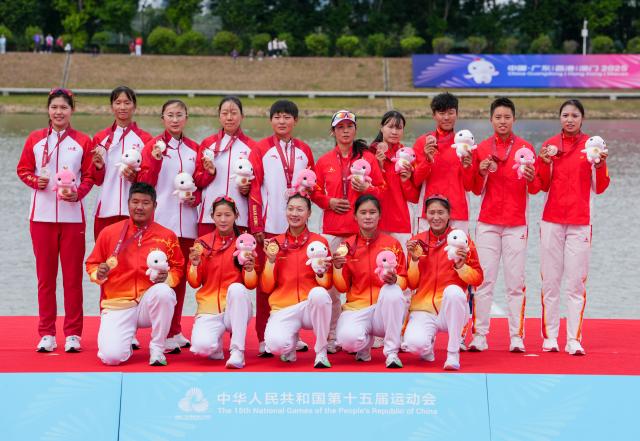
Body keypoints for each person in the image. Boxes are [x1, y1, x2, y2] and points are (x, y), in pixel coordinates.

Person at [16, 88, 94, 353]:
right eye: (54, 107)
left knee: (72, 279)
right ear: (48, 110)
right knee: (45, 279)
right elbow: (23, 169)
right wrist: (34, 181)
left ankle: (73, 334)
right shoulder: (36, 139)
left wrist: (79, 193)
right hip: (41, 217)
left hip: (73, 218)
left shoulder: (83, 141)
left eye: (64, 107)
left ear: (72, 110)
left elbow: (91, 176)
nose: (59, 112)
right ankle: (47, 333)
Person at [536, 99, 610, 355]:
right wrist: (543, 162)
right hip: (551, 220)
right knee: (551, 281)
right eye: (565, 115)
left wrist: (600, 164)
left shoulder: (593, 146)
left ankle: (574, 339)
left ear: (582, 118)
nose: (570, 119)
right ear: (559, 118)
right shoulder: (549, 146)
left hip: (580, 222)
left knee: (576, 283)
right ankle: (550, 337)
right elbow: (541, 186)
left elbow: (600, 187)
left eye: (575, 115)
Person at [468, 97, 540, 353]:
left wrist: (532, 177)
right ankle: (479, 335)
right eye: (498, 117)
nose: (502, 121)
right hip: (487, 223)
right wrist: (482, 171)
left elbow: (536, 187)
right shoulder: (482, 148)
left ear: (514, 119)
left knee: (515, 282)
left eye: (506, 117)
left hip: (516, 224)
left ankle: (516, 336)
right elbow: (475, 190)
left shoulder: (526, 147)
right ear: (491, 120)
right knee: (483, 282)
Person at [86, 183, 184, 366]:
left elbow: (178, 267)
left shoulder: (167, 236)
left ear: (155, 206)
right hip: (118, 303)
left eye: (146, 203)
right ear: (128, 203)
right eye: (135, 202)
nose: (139, 207)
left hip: (149, 301)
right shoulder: (109, 233)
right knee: (111, 357)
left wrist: (168, 278)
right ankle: (125, 339)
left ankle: (157, 348)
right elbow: (91, 263)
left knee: (164, 292)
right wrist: (98, 273)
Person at [313, 110, 386, 352]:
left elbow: (382, 191)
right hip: (335, 233)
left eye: (349, 126)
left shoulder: (368, 158)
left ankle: (372, 331)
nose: (345, 131)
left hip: (363, 235)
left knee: (366, 285)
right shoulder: (324, 161)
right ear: (333, 131)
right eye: (340, 127)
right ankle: (333, 335)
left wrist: (368, 187)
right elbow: (312, 190)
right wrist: (328, 202)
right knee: (332, 289)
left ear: (355, 130)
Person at [248, 99, 315, 355]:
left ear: (295, 121)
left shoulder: (305, 150)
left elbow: (311, 188)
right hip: (271, 226)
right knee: (268, 285)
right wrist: (257, 226)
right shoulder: (260, 148)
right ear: (271, 120)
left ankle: (292, 334)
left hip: (297, 228)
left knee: (295, 281)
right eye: (277, 117)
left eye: (287, 117)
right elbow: (254, 189)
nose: (282, 121)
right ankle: (264, 337)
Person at [138, 99, 200, 353]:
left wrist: (195, 197)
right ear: (162, 118)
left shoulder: (195, 149)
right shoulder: (153, 146)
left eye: (179, 115)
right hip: (162, 222)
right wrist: (154, 160)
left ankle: (174, 329)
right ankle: (158, 333)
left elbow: (202, 183)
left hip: (187, 223)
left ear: (186, 118)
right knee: (158, 277)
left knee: (180, 277)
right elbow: (144, 183)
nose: (175, 120)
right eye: (170, 115)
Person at [404, 195, 483, 370]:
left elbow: (477, 278)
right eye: (431, 213)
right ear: (426, 215)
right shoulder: (417, 241)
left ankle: (453, 353)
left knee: (454, 291)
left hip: (451, 309)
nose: (436, 217)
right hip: (424, 308)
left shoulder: (463, 241)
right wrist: (414, 261)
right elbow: (411, 283)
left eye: (441, 212)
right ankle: (427, 345)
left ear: (449, 215)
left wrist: (461, 267)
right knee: (414, 345)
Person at [332, 195, 408, 368]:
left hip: (384, 311)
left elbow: (405, 281)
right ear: (355, 216)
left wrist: (395, 279)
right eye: (363, 212)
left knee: (393, 291)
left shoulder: (392, 244)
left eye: (372, 212)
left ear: (380, 215)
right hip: (357, 308)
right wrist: (337, 268)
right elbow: (342, 287)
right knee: (347, 341)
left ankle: (391, 352)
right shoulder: (347, 246)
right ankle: (363, 344)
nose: (368, 217)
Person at [262, 194, 333, 368]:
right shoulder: (275, 244)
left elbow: (327, 285)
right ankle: (290, 343)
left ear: (309, 213)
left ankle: (322, 351)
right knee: (276, 345)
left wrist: (321, 272)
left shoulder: (319, 242)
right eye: (291, 208)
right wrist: (270, 261)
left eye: (300, 209)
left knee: (320, 294)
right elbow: (266, 286)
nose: (294, 213)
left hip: (310, 306)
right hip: (284, 306)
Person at [187, 197, 257, 368]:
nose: (223, 219)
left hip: (236, 308)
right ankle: (215, 345)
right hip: (209, 308)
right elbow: (195, 283)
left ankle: (237, 351)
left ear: (236, 215)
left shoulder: (245, 243)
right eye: (219, 215)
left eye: (228, 215)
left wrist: (249, 269)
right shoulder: (201, 243)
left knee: (237, 288)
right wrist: (195, 266)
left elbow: (251, 284)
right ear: (212, 216)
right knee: (201, 348)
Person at [91, 86, 153, 240]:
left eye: (127, 102)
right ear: (112, 106)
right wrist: (98, 168)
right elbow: (97, 180)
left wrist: (135, 177)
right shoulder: (100, 138)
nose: (122, 107)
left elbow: (150, 178)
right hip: (105, 209)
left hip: (134, 210)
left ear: (134, 106)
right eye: (118, 103)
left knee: (133, 259)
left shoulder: (146, 139)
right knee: (104, 259)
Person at [412, 92, 474, 233]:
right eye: (441, 113)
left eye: (451, 113)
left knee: (457, 254)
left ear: (457, 114)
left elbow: (469, 185)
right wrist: (428, 159)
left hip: (457, 211)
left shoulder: (465, 143)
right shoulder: (423, 142)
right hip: (428, 212)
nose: (446, 117)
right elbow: (416, 180)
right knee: (424, 254)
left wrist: (467, 167)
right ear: (434, 115)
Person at [194, 96, 257, 237]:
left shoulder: (252, 147)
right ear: (219, 117)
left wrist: (247, 189)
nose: (229, 117)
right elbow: (197, 181)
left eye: (234, 113)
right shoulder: (207, 144)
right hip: (209, 217)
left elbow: (258, 185)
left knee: (238, 257)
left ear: (242, 116)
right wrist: (210, 173)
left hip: (240, 218)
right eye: (224, 113)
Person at [369, 110, 419, 249]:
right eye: (390, 127)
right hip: (375, 221)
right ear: (381, 127)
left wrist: (406, 180)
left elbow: (414, 197)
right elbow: (366, 191)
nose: (394, 132)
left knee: (402, 267)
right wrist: (378, 167)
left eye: (399, 128)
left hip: (401, 222)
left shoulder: (408, 157)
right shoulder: (369, 154)